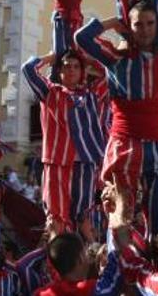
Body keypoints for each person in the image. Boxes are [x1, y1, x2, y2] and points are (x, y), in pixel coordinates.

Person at [75, 2, 158, 237]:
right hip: (126, 145)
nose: (145, 29)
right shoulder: (115, 57)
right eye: (138, 24)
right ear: (130, 27)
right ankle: (121, 267)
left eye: (150, 23)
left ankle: (153, 266)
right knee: (122, 214)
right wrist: (113, 23)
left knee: (156, 219)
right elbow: (82, 38)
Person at [22, 51, 108, 231]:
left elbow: (111, 72)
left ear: (82, 72)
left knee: (82, 216)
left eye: (76, 67)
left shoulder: (91, 94)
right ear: (60, 71)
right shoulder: (50, 91)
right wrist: (52, 57)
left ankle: (81, 256)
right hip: (57, 162)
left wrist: (91, 59)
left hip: (86, 163)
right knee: (57, 218)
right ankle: (57, 256)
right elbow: (28, 69)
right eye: (67, 66)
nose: (71, 70)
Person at [34, 206, 126, 296]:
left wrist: (53, 238)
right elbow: (114, 275)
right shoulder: (90, 292)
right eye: (85, 252)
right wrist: (115, 218)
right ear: (80, 259)